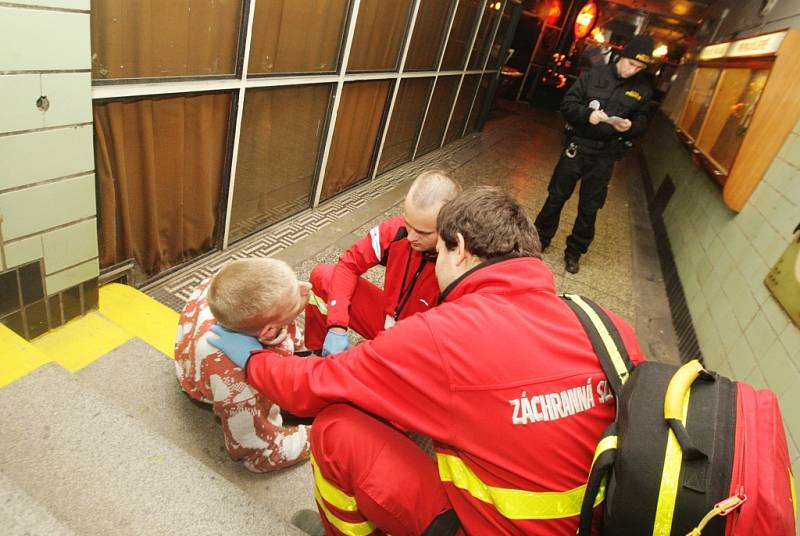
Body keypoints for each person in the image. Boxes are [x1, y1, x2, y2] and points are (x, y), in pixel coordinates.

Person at [209, 186, 646, 534]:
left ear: (457, 247)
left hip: (487, 526)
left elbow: (306, 390)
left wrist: (252, 362)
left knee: (334, 429)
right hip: (598, 519)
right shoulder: (605, 322)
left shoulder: (447, 335)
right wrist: (340, 325)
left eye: (436, 248)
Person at [174, 257, 311, 473]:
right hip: (224, 384)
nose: (307, 288)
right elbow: (259, 454)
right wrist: (319, 436)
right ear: (268, 332)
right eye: (295, 302)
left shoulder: (224, 289)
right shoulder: (240, 387)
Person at [534, 34, 655, 274]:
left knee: (589, 207)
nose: (633, 70)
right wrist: (586, 115)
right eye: (631, 64)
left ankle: (574, 252)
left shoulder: (643, 90)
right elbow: (568, 104)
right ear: (623, 57)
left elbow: (644, 122)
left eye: (640, 67)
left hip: (606, 155)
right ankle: (540, 240)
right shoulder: (594, 75)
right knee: (556, 196)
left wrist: (631, 127)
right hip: (579, 145)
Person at [305, 170, 459, 356]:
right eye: (408, 223)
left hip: (418, 346)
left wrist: (383, 349)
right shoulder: (396, 230)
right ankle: (316, 352)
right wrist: (337, 325)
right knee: (322, 276)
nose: (410, 237)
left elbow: (445, 346)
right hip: (387, 320)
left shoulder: (460, 264)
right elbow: (349, 265)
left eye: (423, 232)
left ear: (449, 229)